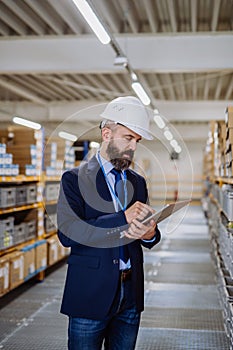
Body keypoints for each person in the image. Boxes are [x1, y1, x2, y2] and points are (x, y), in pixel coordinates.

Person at [57, 96, 161, 350]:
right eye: (128, 137)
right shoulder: (74, 180)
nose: (133, 147)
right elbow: (68, 234)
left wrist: (150, 233)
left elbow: (144, 237)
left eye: (137, 141)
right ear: (106, 133)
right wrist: (121, 218)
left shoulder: (137, 182)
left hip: (130, 293)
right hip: (90, 293)